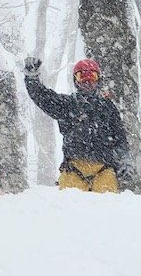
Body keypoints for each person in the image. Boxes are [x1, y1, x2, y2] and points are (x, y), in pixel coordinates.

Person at [24, 56, 132, 193]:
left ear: (98, 80)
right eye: (82, 76)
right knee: (69, 206)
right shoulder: (67, 105)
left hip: (104, 169)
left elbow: (119, 137)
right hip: (74, 169)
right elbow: (44, 98)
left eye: (92, 76)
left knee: (107, 206)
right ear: (76, 81)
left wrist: (125, 160)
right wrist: (32, 79)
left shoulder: (107, 107)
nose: (87, 81)